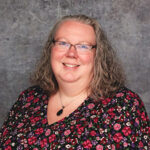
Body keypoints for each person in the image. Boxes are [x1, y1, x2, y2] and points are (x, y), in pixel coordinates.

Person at [0, 14, 149, 149]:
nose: (71, 53)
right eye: (63, 43)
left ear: (98, 55)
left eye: (83, 46)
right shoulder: (28, 99)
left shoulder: (124, 106)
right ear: (50, 49)